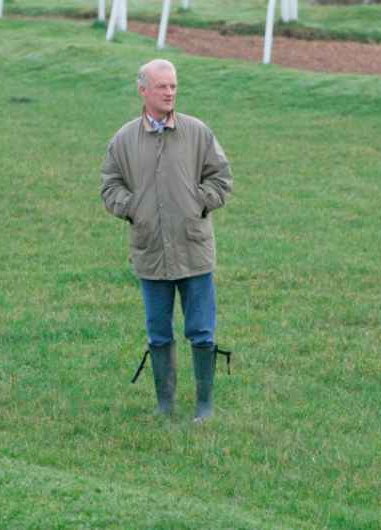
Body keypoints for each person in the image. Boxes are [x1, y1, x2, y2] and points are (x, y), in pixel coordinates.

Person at [100, 59, 233, 421]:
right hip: (150, 252)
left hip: (193, 250)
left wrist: (197, 204)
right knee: (159, 334)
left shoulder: (198, 132)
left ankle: (204, 406)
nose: (170, 92)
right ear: (143, 91)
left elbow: (221, 179)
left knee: (202, 332)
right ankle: (165, 405)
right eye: (162, 86)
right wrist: (134, 209)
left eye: (173, 86)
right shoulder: (124, 139)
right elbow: (109, 185)